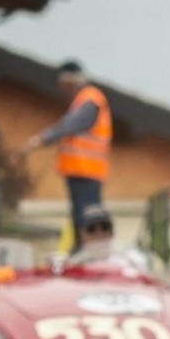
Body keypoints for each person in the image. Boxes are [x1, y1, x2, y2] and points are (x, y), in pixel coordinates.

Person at [21, 61, 112, 253]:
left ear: (69, 81)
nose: (61, 89)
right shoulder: (83, 99)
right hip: (80, 170)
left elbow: (71, 124)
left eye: (62, 84)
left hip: (86, 170)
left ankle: (88, 251)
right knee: (80, 215)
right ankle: (82, 249)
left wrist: (41, 139)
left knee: (87, 216)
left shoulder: (90, 99)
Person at [68, 204, 152, 274]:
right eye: (91, 229)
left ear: (111, 233)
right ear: (82, 235)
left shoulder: (132, 259)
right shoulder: (74, 264)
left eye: (104, 228)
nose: (99, 234)